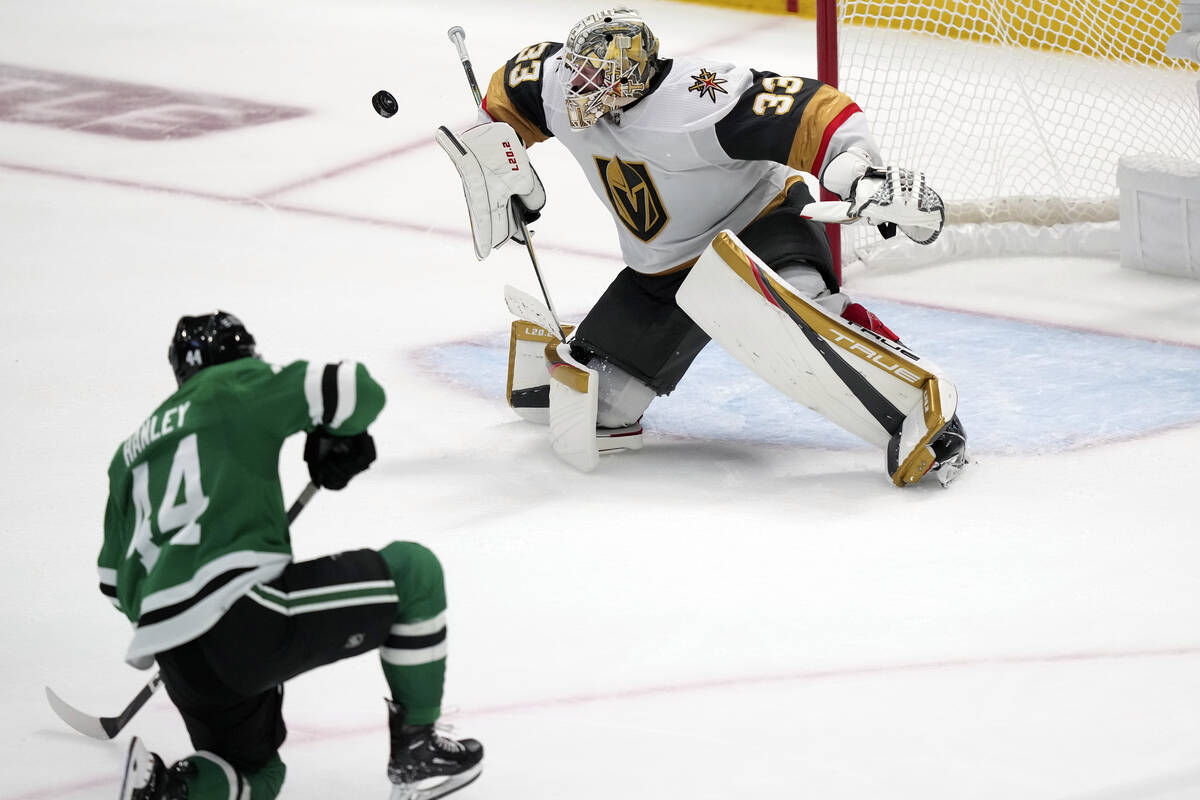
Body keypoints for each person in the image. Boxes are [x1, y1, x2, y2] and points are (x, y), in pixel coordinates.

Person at [437, 6, 968, 486]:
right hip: (663, 270)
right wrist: (495, 154)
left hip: (758, 227)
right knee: (601, 409)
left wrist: (862, 175)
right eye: (577, 69)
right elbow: (511, 89)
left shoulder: (700, 102)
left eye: (596, 76)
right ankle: (588, 347)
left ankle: (922, 403)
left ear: (631, 78)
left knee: (799, 313)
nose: (579, 85)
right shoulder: (559, 84)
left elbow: (813, 111)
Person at [101, 311, 483, 800]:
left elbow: (113, 581)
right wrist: (334, 437)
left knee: (255, 776)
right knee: (414, 573)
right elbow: (355, 388)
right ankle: (417, 751)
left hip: (173, 653)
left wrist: (182, 617)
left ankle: (169, 790)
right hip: (242, 617)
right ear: (239, 357)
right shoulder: (232, 386)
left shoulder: (128, 454)